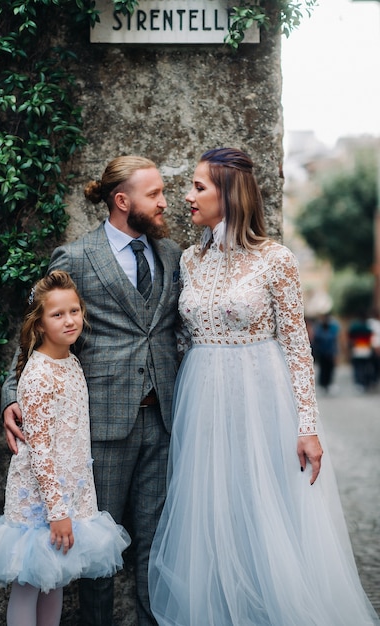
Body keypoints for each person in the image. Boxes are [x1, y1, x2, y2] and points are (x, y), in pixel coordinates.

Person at [148, 148, 380, 625]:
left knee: (267, 510)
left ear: (229, 194)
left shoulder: (276, 260)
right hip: (202, 402)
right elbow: (180, 338)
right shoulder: (190, 260)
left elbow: (297, 345)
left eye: (199, 186)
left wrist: (308, 427)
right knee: (211, 511)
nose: (187, 196)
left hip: (263, 399)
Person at [1, 156, 182, 626]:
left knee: (154, 544)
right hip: (100, 428)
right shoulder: (77, 257)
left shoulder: (172, 256)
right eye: (155, 194)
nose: (166, 203)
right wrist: (11, 395)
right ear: (123, 201)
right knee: (95, 552)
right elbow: (33, 328)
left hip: (163, 420)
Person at [0, 270, 130, 626]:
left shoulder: (70, 361)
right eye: (57, 314)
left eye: (75, 311)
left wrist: (71, 505)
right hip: (40, 502)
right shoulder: (39, 376)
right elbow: (40, 451)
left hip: (69, 493)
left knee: (54, 580)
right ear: (39, 324)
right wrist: (57, 511)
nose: (70, 320)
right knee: (28, 584)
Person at [312, 312, 340, 393]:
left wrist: (336, 354)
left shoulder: (332, 329)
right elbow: (315, 342)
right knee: (323, 369)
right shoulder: (319, 329)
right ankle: (322, 384)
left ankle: (329, 384)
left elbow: (335, 342)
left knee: (330, 369)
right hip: (322, 353)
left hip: (330, 353)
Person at [348, 311, 374, 391]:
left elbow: (350, 338)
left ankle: (359, 382)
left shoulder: (355, 326)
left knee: (358, 367)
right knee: (365, 367)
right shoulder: (368, 326)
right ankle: (365, 382)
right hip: (366, 349)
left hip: (357, 349)